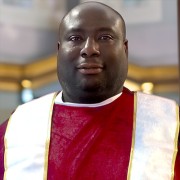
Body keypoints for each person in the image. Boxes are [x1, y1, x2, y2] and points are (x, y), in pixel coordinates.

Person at [0, 1, 179, 179]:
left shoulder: (169, 125)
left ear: (125, 49)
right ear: (59, 50)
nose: (89, 49)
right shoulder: (18, 128)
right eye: (75, 38)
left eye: (105, 37)